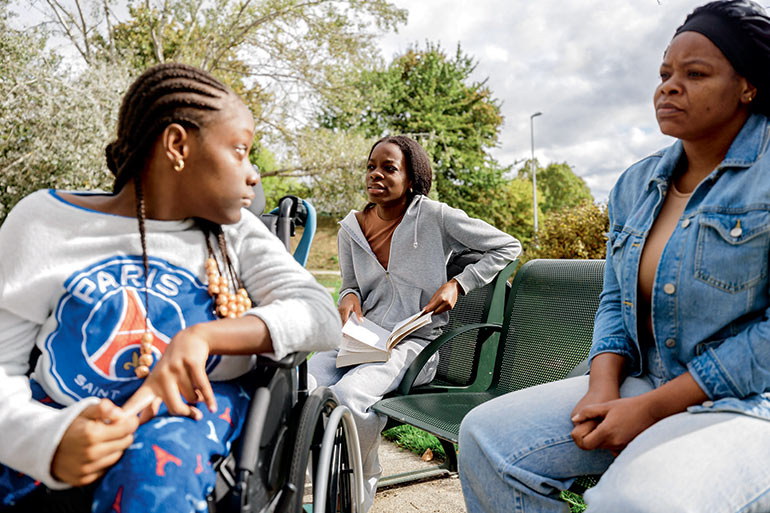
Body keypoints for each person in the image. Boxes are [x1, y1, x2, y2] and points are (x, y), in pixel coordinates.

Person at [458, 1, 770, 512]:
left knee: (633, 502)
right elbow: (614, 299)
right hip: (649, 378)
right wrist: (601, 388)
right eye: (666, 73)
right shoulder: (636, 185)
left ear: (747, 86)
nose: (669, 86)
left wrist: (650, 409)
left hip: (750, 406)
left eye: (695, 74)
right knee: (487, 439)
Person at [0, 62, 340, 512]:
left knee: (151, 474)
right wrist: (46, 441)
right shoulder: (42, 221)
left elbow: (319, 313)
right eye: (240, 151)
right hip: (60, 408)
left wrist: (203, 337)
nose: (254, 174)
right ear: (177, 145)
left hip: (186, 417)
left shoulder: (233, 234)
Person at [307, 135, 521, 510]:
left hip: (413, 344)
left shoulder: (435, 216)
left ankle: (355, 489)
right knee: (303, 385)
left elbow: (507, 246)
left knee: (351, 396)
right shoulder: (350, 229)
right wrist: (349, 298)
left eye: (388, 168)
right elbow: (349, 286)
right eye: (371, 166)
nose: (376, 174)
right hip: (360, 339)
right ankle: (310, 478)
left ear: (411, 178)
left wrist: (459, 283)